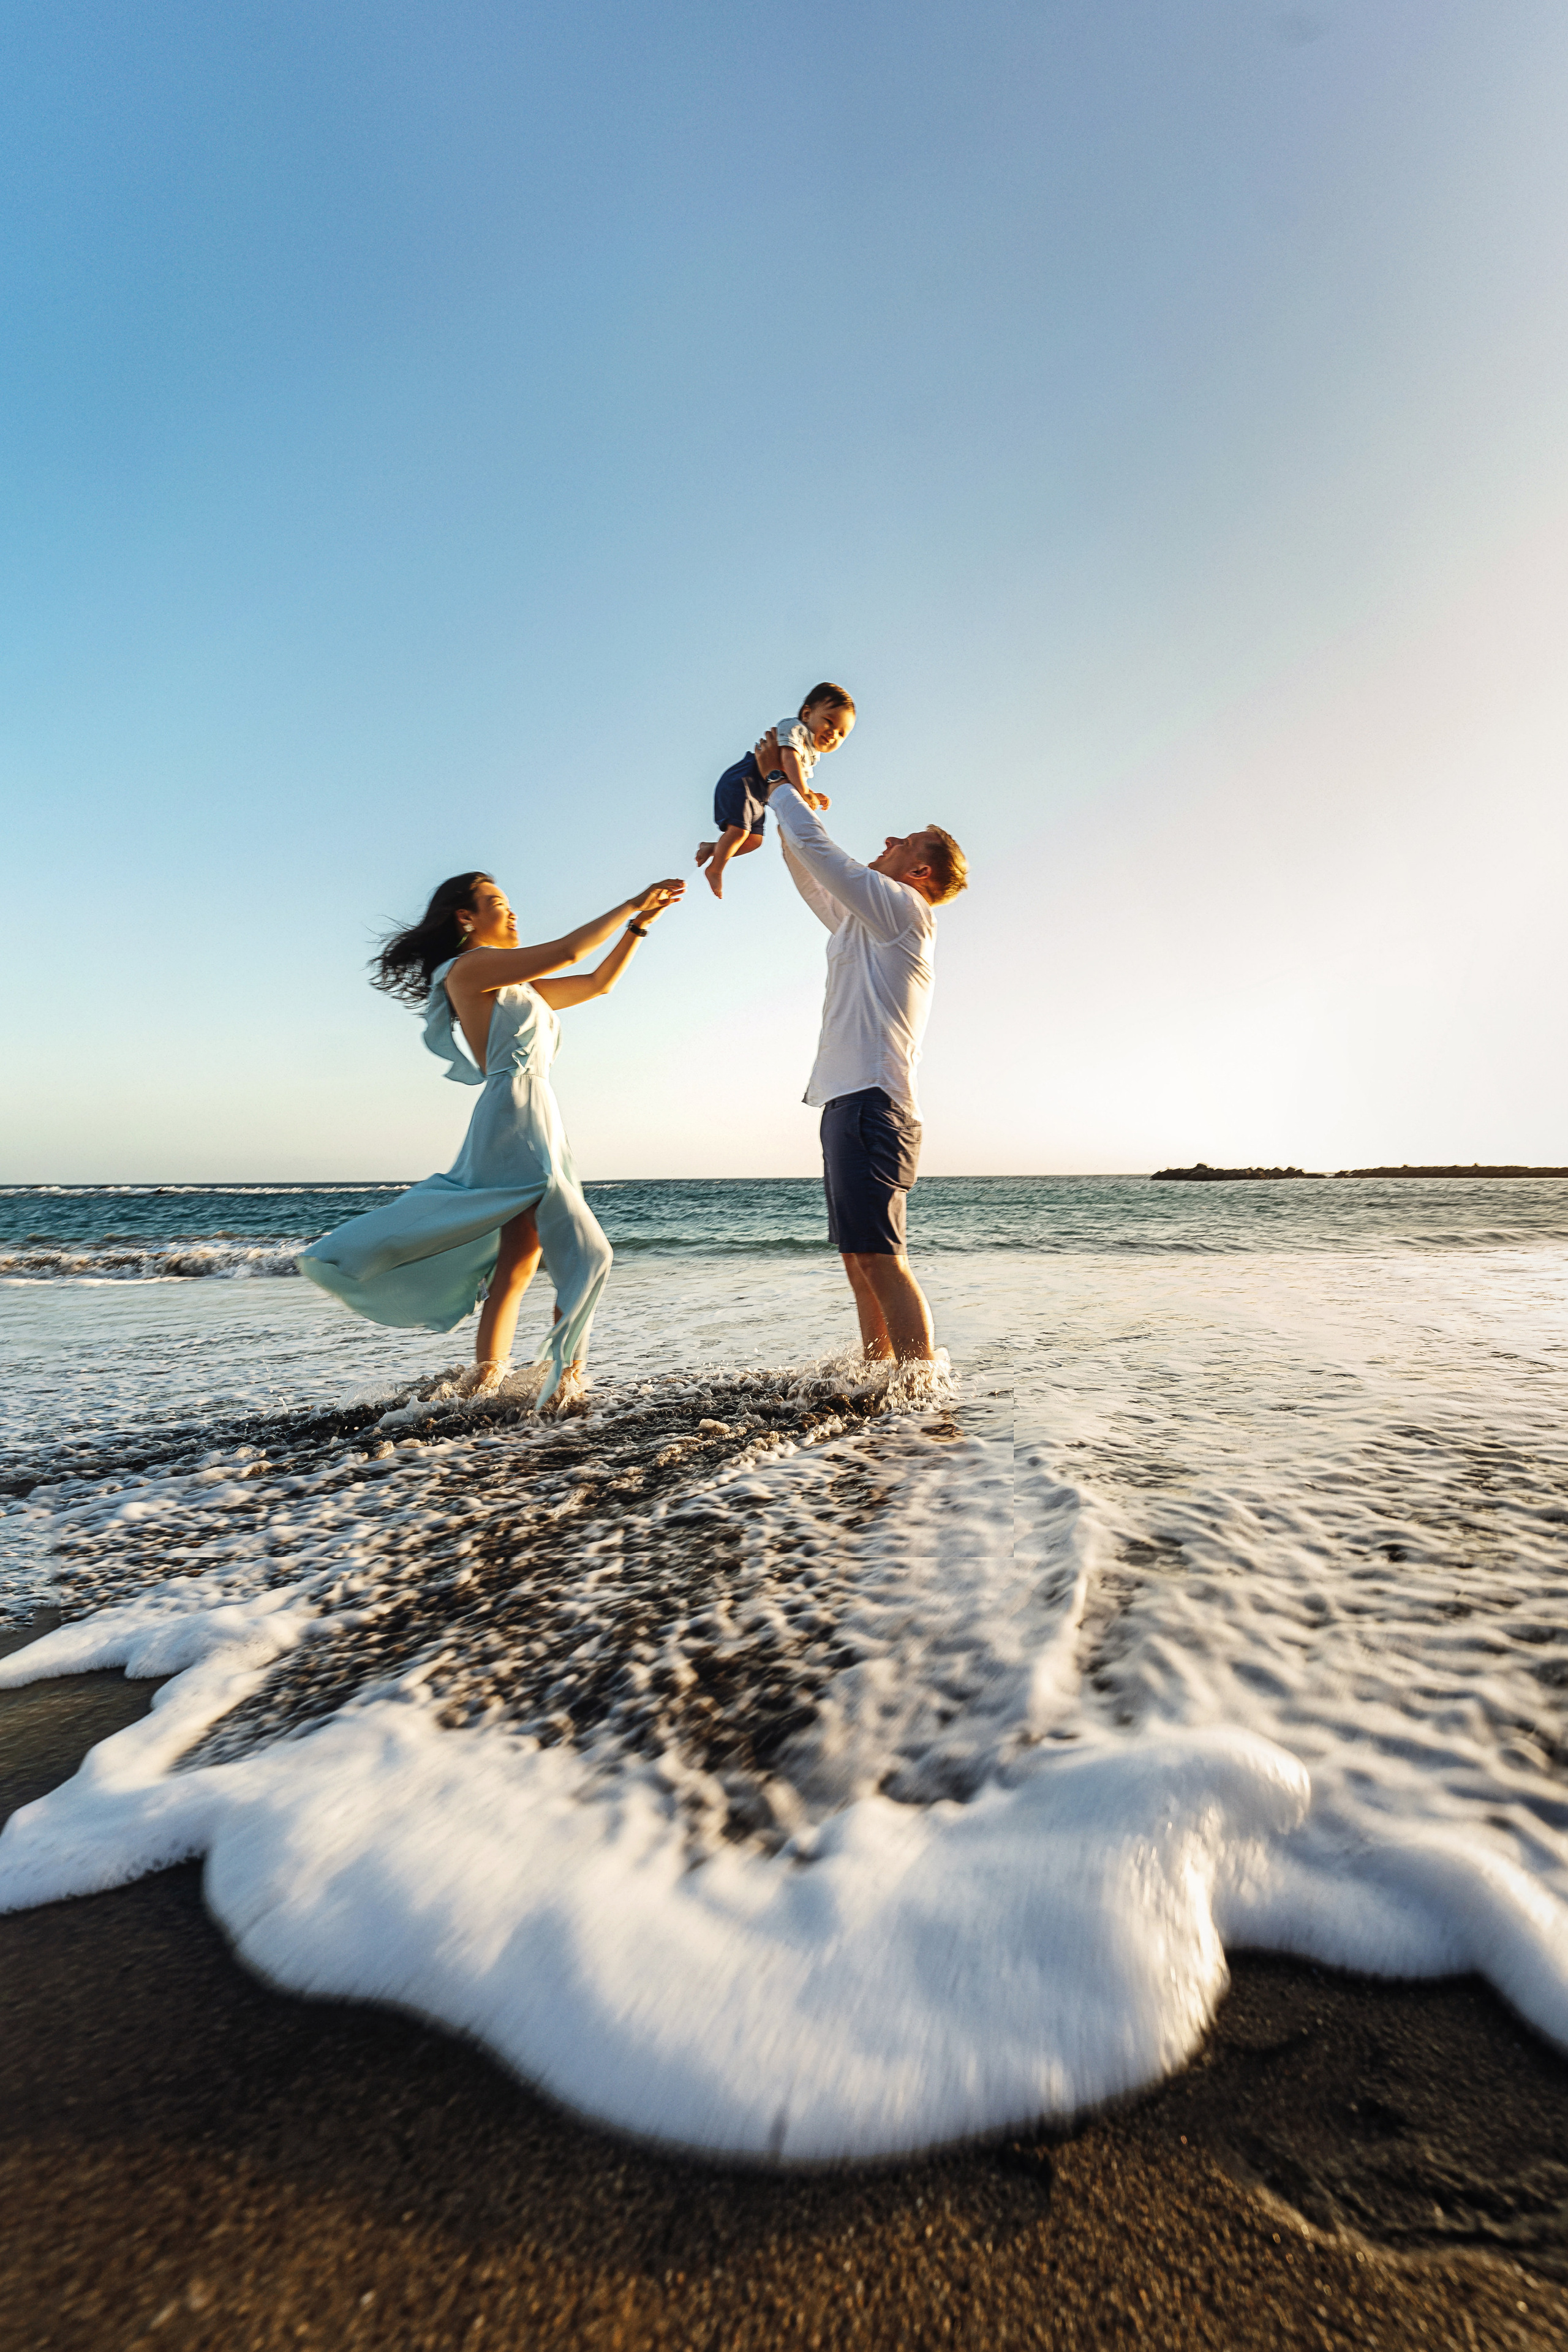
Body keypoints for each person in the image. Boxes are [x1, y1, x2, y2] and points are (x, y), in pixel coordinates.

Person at [298, 870, 684, 1406]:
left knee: (520, 1260)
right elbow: (572, 952)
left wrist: (639, 928)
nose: (513, 912)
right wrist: (629, 903)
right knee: (591, 1253)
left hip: (540, 1110)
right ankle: (564, 1382)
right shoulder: (471, 968)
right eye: (497, 903)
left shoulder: (516, 986)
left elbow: (597, 983)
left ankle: (487, 1384)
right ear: (466, 917)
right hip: (515, 1111)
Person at [758, 729, 967, 1363]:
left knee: (882, 1257)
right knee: (858, 1257)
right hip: (849, 1101)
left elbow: (823, 853)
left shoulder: (903, 908)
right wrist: (786, 801)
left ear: (918, 871)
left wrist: (778, 785)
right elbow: (811, 873)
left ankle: (920, 1392)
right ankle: (879, 1378)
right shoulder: (868, 920)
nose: (885, 844)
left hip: (876, 1104)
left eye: (900, 843)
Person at [696, 684, 855, 899]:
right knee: (740, 832)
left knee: (754, 841)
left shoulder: (810, 753)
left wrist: (810, 793)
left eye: (841, 734)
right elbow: (788, 760)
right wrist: (805, 791)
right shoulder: (795, 729)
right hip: (743, 781)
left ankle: (713, 848)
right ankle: (715, 868)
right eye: (829, 722)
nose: (833, 734)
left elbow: (789, 778)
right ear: (807, 714)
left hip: (757, 795)